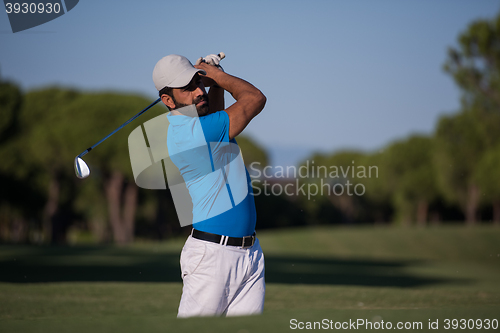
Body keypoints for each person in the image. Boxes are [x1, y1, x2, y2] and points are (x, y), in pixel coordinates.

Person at [152, 54, 266, 317]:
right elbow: (255, 99)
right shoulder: (189, 133)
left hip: (249, 254)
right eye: (188, 88)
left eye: (198, 82)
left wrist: (214, 80)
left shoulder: (204, 124)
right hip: (212, 257)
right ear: (167, 100)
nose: (198, 91)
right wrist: (216, 76)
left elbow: (213, 111)